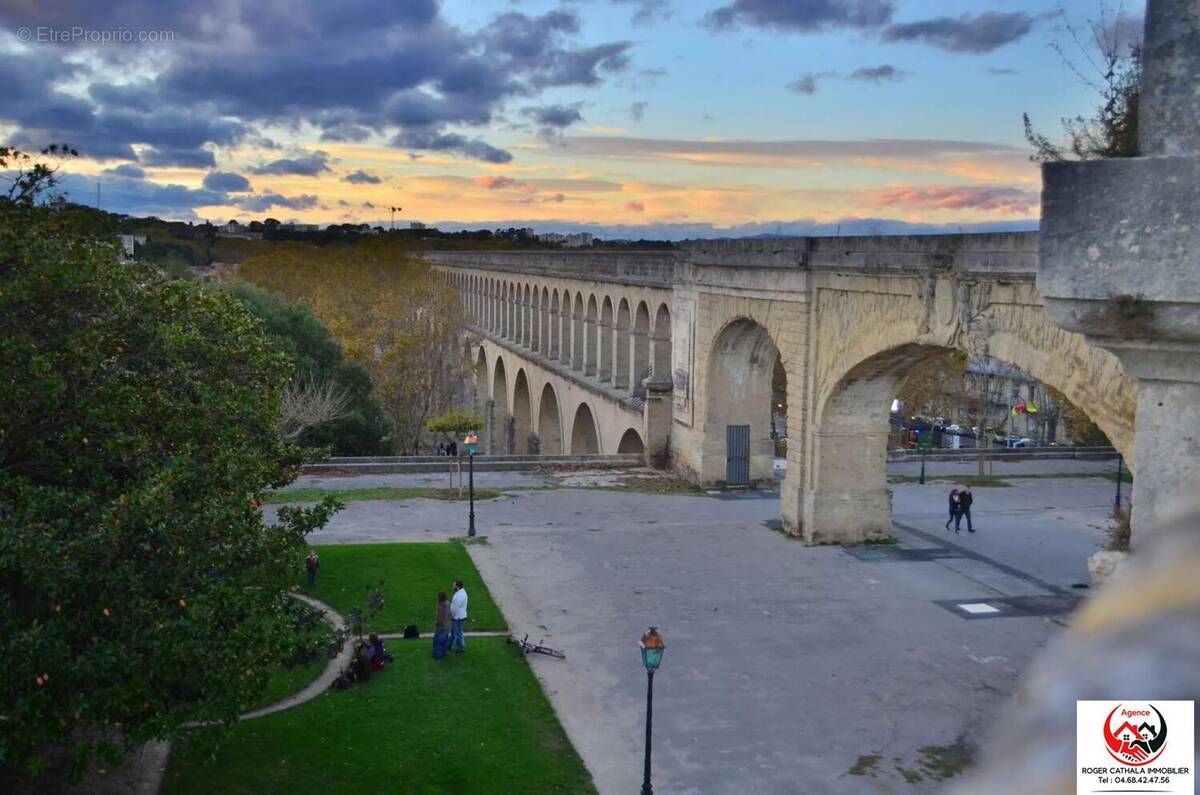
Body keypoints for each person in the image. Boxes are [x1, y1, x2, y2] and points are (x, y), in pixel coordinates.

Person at [449, 579, 468, 654]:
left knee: (458, 634)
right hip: (458, 617)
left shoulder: (460, 595)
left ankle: (460, 649)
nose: (452, 586)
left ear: (458, 586)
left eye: (454, 585)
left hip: (458, 618)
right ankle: (449, 645)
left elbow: (455, 608)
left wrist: (451, 615)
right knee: (454, 632)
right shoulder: (460, 593)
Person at [433, 591, 451, 659]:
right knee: (445, 640)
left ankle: (438, 655)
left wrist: (437, 624)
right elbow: (450, 614)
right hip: (447, 625)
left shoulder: (440, 607)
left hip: (441, 627)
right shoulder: (448, 604)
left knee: (438, 642)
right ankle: (444, 653)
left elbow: (439, 619)